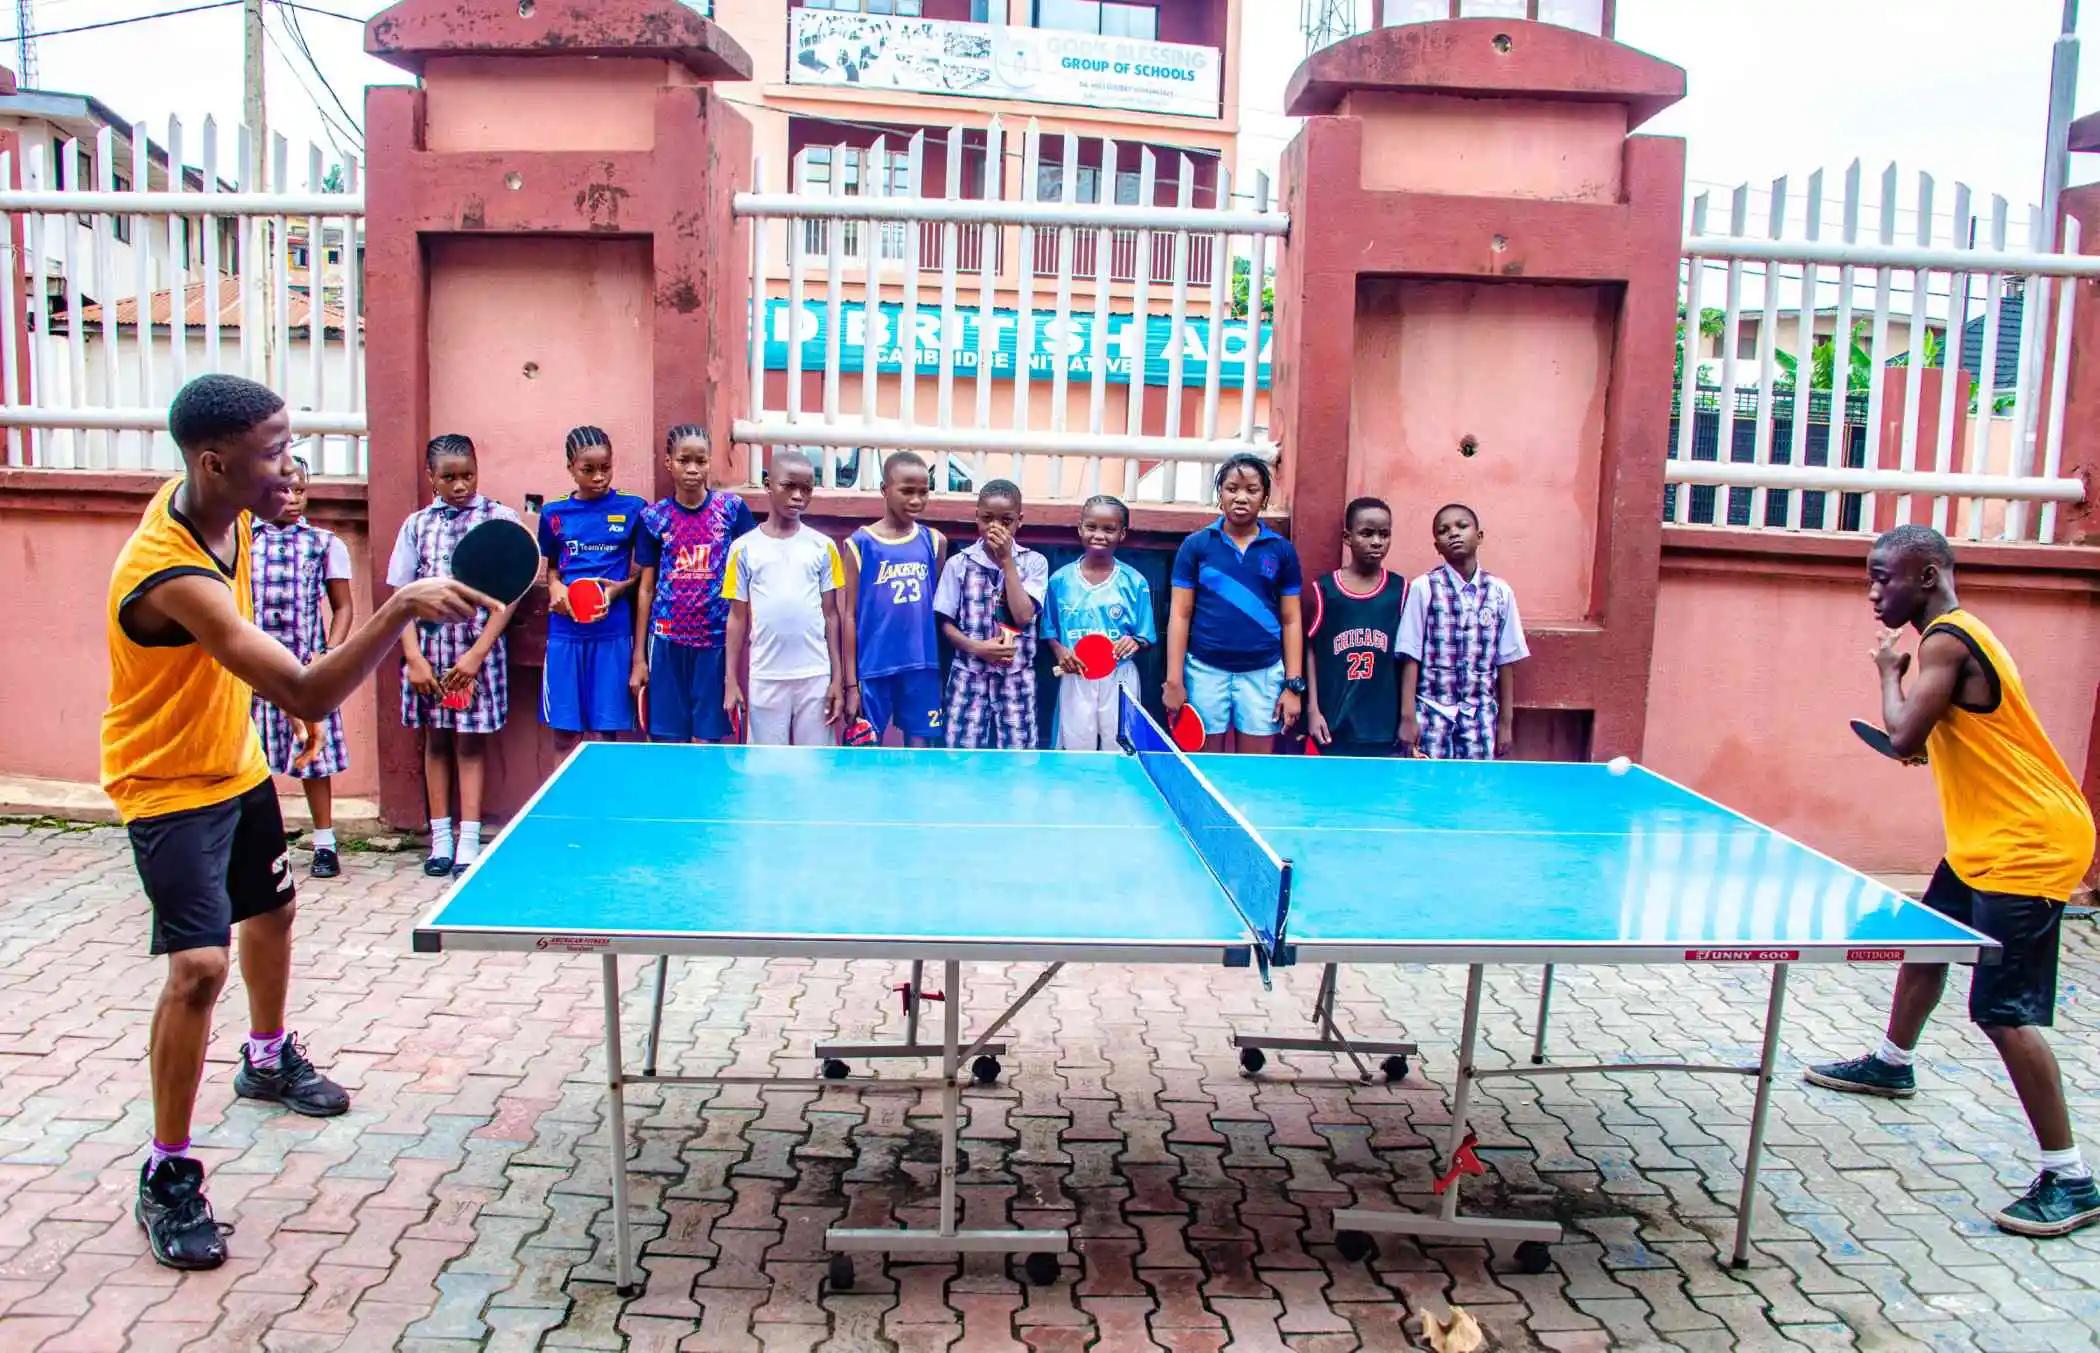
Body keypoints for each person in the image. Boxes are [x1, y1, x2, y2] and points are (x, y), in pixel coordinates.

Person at [104, 374, 489, 1271]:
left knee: (273, 912)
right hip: (166, 782)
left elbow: (262, 663)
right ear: (215, 462)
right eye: (273, 451)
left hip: (233, 758)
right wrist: (398, 608)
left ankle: (267, 1056)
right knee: (199, 967)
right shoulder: (169, 571)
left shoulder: (225, 513)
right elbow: (308, 686)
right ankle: (167, 1172)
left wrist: (279, 699)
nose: (290, 464)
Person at [1804, 524, 2099, 1238]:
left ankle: (2072, 1178)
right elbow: (1952, 738)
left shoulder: (1943, 640)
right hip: (1983, 841)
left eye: (1884, 577)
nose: (1874, 592)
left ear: (1928, 575)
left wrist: (1888, 672)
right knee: (1927, 941)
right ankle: (1892, 1063)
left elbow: (1904, 735)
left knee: (2004, 1011)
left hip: (2028, 845)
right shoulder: (1969, 635)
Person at [388, 434, 520, 877]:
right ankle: (440, 838)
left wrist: (476, 656)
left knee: (470, 743)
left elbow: (509, 596)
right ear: (431, 477)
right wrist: (414, 658)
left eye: (468, 475)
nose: (461, 485)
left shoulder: (499, 520)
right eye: (449, 477)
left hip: (475, 656)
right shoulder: (416, 526)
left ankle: (469, 839)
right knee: (437, 741)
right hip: (431, 655)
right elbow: (402, 597)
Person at [249, 455, 354, 876]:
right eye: (283, 491)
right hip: (254, 672)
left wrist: (329, 653)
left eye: (300, 491)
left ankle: (324, 843)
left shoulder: (324, 544)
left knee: (314, 755)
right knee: (251, 759)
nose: (293, 499)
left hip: (305, 670)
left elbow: (343, 607)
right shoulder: (244, 541)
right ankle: (259, 844)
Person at [1162, 454, 1305, 754]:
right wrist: (1174, 680)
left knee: (1253, 770)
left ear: (1264, 497)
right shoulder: (1197, 546)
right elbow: (1180, 614)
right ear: (1220, 494)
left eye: (1251, 490)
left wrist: (1293, 686)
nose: (1241, 497)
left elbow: (1291, 619)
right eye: (1232, 488)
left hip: (1263, 673)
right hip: (1205, 671)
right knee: (1205, 767)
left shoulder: (1281, 550)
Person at [629, 424, 756, 743]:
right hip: (667, 641)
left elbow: (751, 579)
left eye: (701, 461)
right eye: (684, 460)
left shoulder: (731, 510)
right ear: (669, 462)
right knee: (667, 742)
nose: (692, 469)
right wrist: (639, 657)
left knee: (706, 743)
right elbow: (646, 588)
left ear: (710, 462)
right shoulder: (653, 518)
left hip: (716, 642)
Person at [722, 450, 854, 745]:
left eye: (806, 489)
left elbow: (831, 616)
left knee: (815, 763)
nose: (798, 496)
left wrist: (837, 679)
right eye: (789, 486)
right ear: (768, 484)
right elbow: (737, 618)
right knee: (767, 764)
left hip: (815, 676)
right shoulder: (743, 549)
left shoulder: (823, 547)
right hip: (766, 675)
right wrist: (731, 679)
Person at [538, 425, 646, 745]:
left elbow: (645, 573)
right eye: (588, 470)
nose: (599, 477)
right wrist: (555, 587)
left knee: (604, 734)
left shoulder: (634, 508)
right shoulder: (553, 513)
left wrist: (618, 589)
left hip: (613, 631)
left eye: (605, 468)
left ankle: (603, 782)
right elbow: (552, 568)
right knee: (564, 734)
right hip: (565, 632)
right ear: (570, 468)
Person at [1397, 503, 1527, 759]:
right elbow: (1410, 655)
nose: (1453, 533)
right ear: (1437, 546)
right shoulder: (1424, 588)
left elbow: (1506, 660)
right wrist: (1408, 717)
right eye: (1443, 530)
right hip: (1432, 713)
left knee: (1477, 781)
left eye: (1462, 526)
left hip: (1481, 716)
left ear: (1479, 536)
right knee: (1428, 780)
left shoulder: (1500, 592)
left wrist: (1505, 722)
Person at [934, 478, 1049, 750]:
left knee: (1019, 756)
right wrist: (977, 648)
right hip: (968, 676)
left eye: (1006, 521)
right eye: (987, 519)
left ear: (1019, 521)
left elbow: (1023, 616)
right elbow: (944, 622)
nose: (995, 527)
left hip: (1016, 679)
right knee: (961, 755)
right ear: (976, 517)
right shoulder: (958, 564)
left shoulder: (1034, 562)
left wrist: (1007, 560)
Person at [842, 451, 947, 747]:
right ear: (884, 490)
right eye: (907, 491)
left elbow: (938, 608)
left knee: (920, 749)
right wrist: (850, 684)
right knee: (864, 748)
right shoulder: (860, 544)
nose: (916, 500)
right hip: (874, 666)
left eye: (923, 492)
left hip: (922, 664)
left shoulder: (934, 541)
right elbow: (849, 616)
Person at [1041, 494, 1155, 751]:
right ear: (1080, 529)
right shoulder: (1060, 581)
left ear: (1122, 534)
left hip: (1120, 675)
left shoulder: (1135, 582)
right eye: (1091, 527)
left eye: (1109, 529)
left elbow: (1145, 636)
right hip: (1076, 674)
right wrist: (1061, 652)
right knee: (1075, 749)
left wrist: (1135, 642)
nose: (1099, 535)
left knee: (1122, 746)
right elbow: (1049, 631)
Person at [1305, 497, 1407, 758]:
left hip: (1382, 726)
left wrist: (1408, 715)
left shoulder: (1400, 590)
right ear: (1347, 538)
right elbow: (1312, 651)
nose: (1377, 542)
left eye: (1384, 534)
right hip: (1334, 723)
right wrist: (1313, 710)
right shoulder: (1325, 590)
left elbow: (1410, 659)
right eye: (1367, 533)